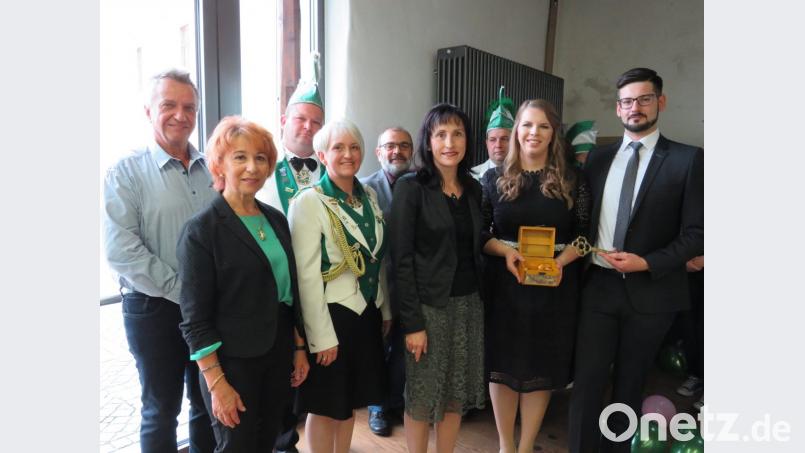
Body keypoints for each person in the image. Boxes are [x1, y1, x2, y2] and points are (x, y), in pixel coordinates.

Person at [568, 67, 704, 453]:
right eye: (627, 101)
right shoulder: (596, 160)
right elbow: (580, 220)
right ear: (617, 108)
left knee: (629, 387)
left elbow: (697, 233)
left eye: (644, 99)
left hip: (653, 291)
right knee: (587, 383)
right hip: (599, 287)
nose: (635, 108)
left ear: (661, 102)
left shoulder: (688, 160)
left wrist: (647, 262)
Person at [176, 116, 309, 451]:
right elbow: (195, 320)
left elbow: (290, 294)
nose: (252, 167)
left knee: (268, 441)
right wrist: (217, 384)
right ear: (219, 164)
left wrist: (298, 349)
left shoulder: (275, 219)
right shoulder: (201, 231)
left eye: (260, 158)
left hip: (277, 352)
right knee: (236, 446)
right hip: (232, 364)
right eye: (240, 157)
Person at [103, 69, 216, 452]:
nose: (180, 115)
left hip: (208, 309)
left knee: (206, 403)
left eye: (189, 107)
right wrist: (184, 292)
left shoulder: (212, 169)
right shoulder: (125, 172)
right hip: (154, 310)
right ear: (149, 111)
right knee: (161, 410)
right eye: (169, 105)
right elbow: (122, 251)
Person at [480, 99, 590, 453]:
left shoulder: (572, 180)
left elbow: (585, 236)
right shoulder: (494, 177)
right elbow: (480, 234)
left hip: (554, 288)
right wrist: (506, 252)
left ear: (553, 133)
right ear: (517, 131)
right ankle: (505, 446)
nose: (534, 133)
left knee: (540, 369)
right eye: (527, 125)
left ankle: (526, 446)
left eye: (543, 126)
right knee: (503, 368)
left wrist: (561, 262)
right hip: (506, 287)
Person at [288, 119, 392, 453]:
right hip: (332, 316)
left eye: (354, 147)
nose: (348, 154)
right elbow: (305, 277)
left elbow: (376, 259)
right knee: (324, 405)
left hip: (366, 312)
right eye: (338, 148)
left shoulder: (369, 196)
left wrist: (385, 309)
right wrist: (320, 337)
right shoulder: (309, 202)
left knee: (350, 402)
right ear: (322, 155)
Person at [390, 103, 486, 453]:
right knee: (422, 395)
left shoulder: (473, 188)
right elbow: (400, 260)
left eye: (457, 134)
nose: (449, 142)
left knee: (455, 394)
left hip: (469, 305)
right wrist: (413, 323)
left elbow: (477, 242)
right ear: (428, 142)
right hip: (429, 309)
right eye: (441, 134)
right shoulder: (411, 187)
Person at [255, 54, 324, 453]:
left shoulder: (330, 169)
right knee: (279, 372)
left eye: (316, 122)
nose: (308, 127)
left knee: (313, 372)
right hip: (276, 287)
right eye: (301, 119)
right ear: (284, 119)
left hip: (320, 286)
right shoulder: (261, 166)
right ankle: (282, 442)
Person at [359, 126, 415, 436]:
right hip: (376, 284)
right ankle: (377, 406)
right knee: (376, 349)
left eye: (404, 145)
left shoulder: (422, 185)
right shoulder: (363, 188)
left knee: (404, 351)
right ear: (378, 152)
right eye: (390, 146)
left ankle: (394, 401)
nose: (397, 151)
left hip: (411, 284)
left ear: (412, 151)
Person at [472, 86, 515, 181]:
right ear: (486, 143)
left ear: (514, 141)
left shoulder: (526, 176)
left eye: (504, 139)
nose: (498, 145)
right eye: (492, 140)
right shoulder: (471, 177)